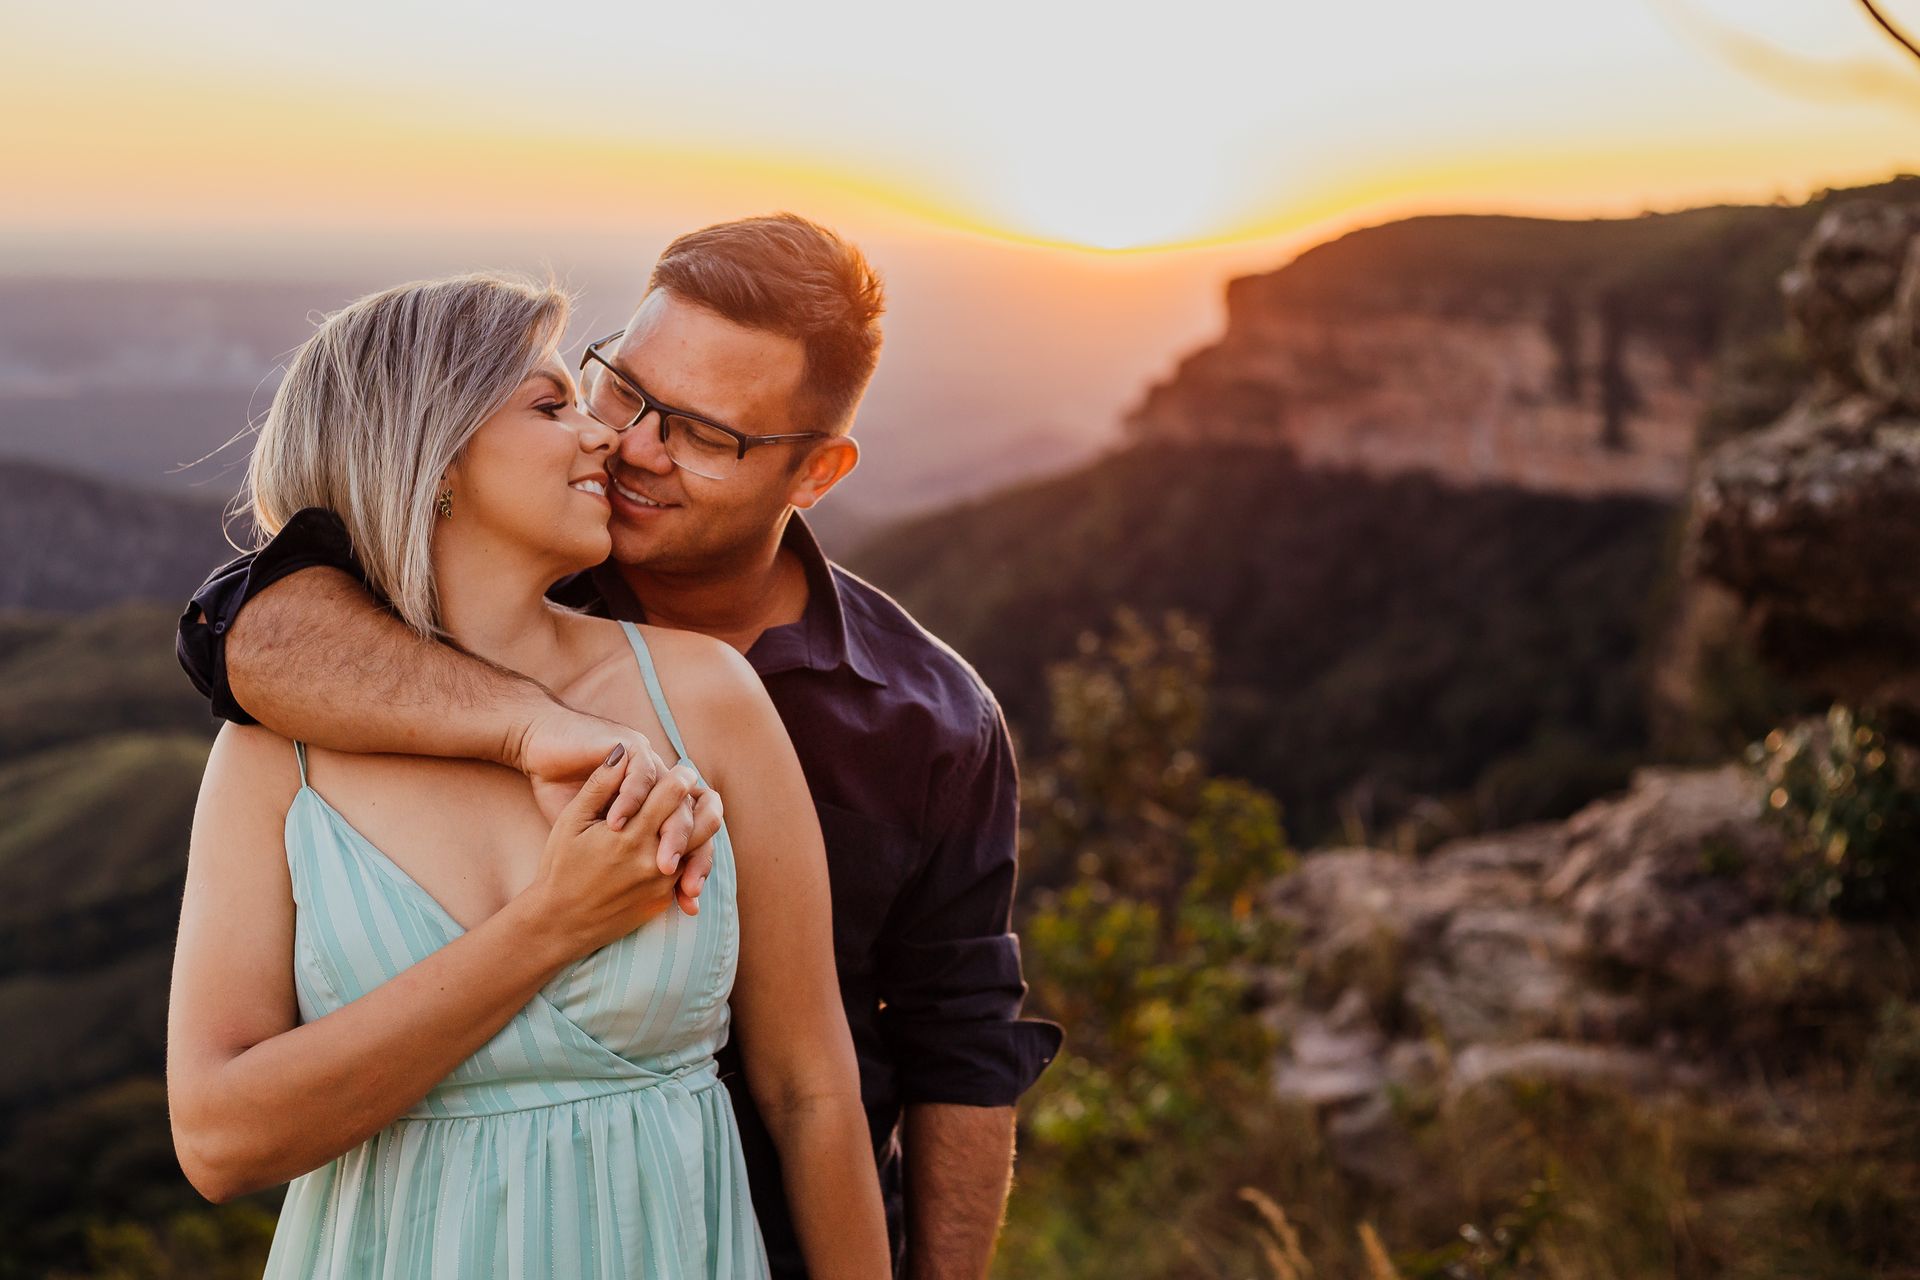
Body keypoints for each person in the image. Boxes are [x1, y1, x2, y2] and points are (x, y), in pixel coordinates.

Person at [175, 212, 1063, 1279]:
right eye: (616, 390)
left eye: (703, 433)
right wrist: (535, 729)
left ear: (816, 473)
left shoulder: (922, 719)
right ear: (437, 454)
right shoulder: (334, 682)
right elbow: (241, 623)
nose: (628, 442)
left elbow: (946, 1045)